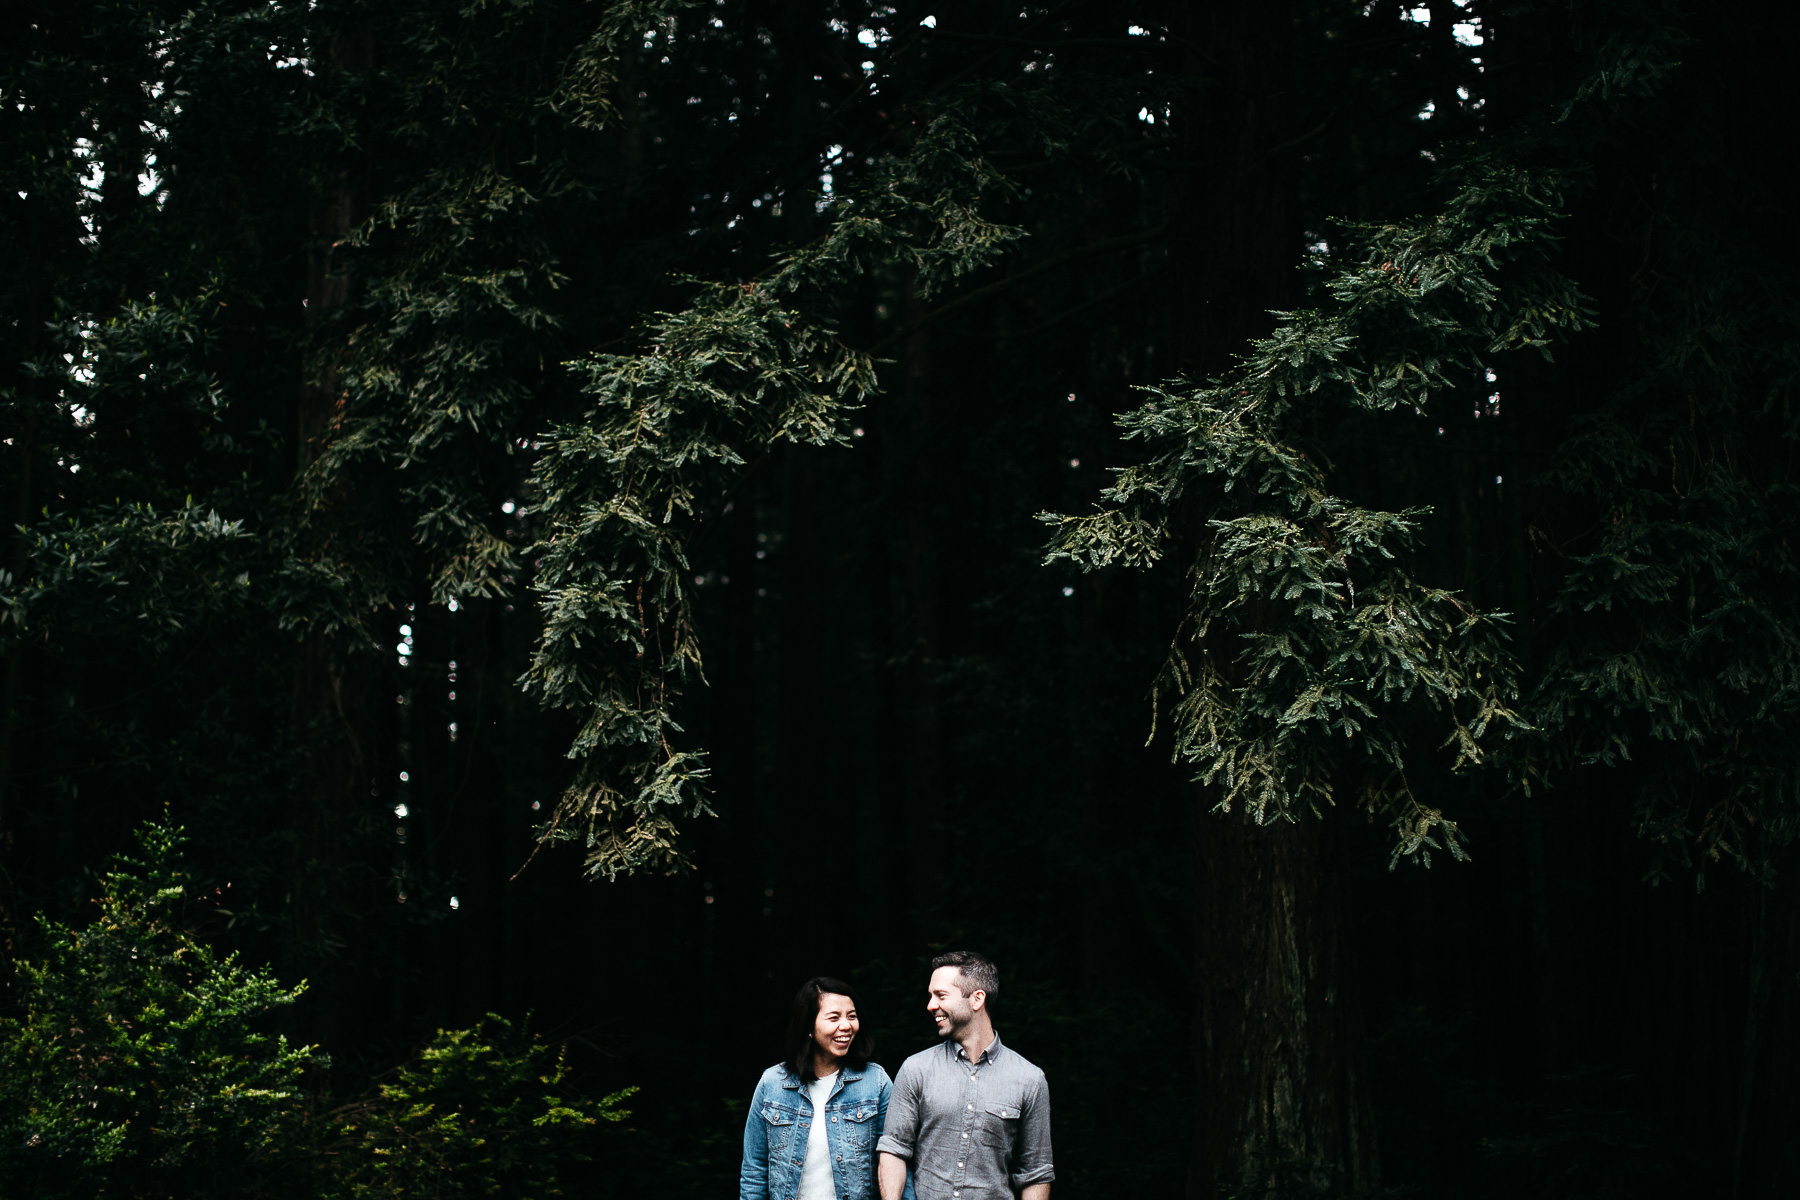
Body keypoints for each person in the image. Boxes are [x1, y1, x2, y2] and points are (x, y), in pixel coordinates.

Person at [877, 951, 1054, 1200]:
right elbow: (894, 1150)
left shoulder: (1029, 1079)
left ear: (976, 999)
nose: (930, 1005)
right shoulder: (916, 1069)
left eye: (940, 995)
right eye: (930, 996)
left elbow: (1035, 1173)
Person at [741, 976, 894, 1200]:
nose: (846, 1026)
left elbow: (894, 1161)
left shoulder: (875, 1081)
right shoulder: (772, 1083)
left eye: (852, 1016)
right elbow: (754, 1171)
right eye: (834, 1018)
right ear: (808, 1027)